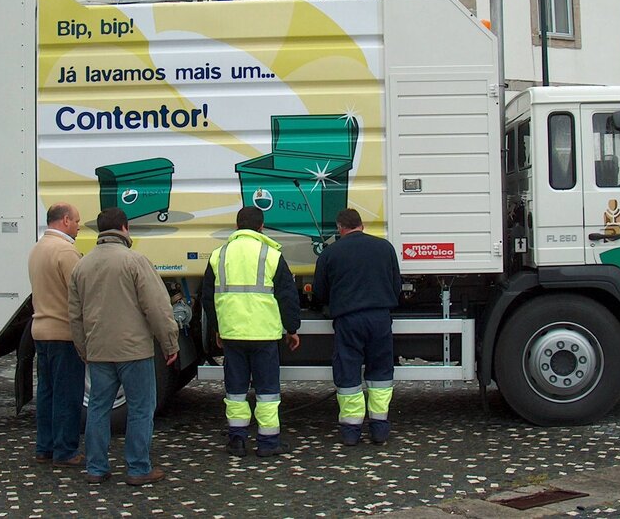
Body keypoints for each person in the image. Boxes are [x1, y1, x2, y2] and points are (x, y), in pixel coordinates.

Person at [68, 207, 179, 486]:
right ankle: (138, 468)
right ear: (125, 228)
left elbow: (75, 315)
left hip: (99, 350)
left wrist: (85, 350)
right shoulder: (135, 261)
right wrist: (169, 343)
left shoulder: (81, 266)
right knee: (141, 408)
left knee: (98, 408)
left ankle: (95, 468)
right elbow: (156, 307)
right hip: (134, 352)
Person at [202, 206, 301, 458]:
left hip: (232, 335)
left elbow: (207, 298)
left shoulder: (218, 255)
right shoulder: (271, 254)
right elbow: (287, 296)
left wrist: (218, 328)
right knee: (267, 390)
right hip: (264, 335)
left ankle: (237, 441)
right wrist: (292, 329)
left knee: (235, 390)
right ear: (261, 226)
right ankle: (268, 443)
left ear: (236, 226)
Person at [312, 208, 402, 446]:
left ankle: (351, 432)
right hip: (380, 318)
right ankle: (380, 429)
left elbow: (320, 293)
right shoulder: (385, 248)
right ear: (361, 225)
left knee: (348, 372)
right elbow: (396, 286)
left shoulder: (331, 253)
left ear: (340, 228)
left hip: (348, 320)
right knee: (381, 373)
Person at [28, 202, 85, 466]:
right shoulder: (66, 252)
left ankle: (44, 447)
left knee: (47, 393)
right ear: (64, 221)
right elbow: (80, 293)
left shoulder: (37, 249)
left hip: (40, 330)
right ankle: (65, 451)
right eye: (76, 221)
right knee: (67, 394)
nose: (78, 226)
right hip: (63, 333)